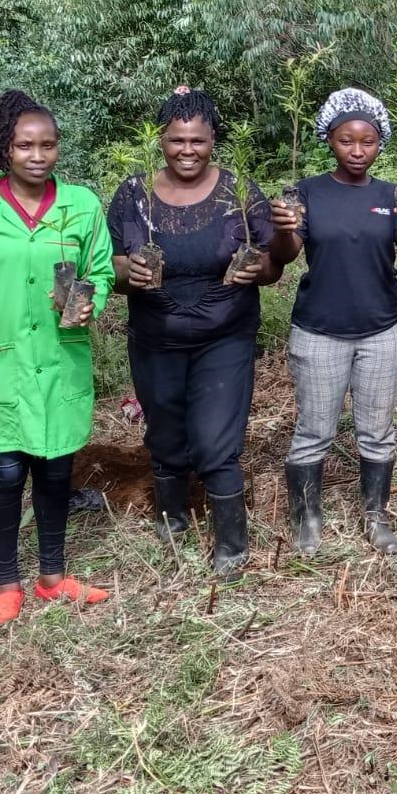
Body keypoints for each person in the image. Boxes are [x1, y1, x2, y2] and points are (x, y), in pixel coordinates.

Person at [0, 90, 114, 626]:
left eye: (48, 145)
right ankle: (6, 582)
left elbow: (100, 272)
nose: (38, 155)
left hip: (59, 357)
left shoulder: (81, 206)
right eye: (25, 145)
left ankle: (52, 578)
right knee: (6, 471)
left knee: (56, 469)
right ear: (5, 149)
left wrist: (90, 302)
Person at [106, 88, 281, 576]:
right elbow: (110, 268)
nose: (188, 150)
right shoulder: (133, 196)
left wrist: (258, 269)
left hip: (223, 334)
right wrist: (128, 275)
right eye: (177, 139)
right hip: (154, 335)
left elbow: (272, 265)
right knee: (164, 430)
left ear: (213, 141)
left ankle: (232, 540)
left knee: (214, 439)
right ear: (161, 140)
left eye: (198, 141)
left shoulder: (238, 193)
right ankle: (173, 516)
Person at [268, 88, 397, 557]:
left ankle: (376, 516)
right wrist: (282, 229)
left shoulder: (391, 194)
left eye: (368, 141)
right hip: (319, 330)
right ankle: (307, 517)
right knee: (315, 429)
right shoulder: (306, 193)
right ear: (330, 141)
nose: (358, 151)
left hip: (382, 329)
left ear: (381, 142)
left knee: (376, 429)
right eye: (346, 141)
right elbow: (286, 256)